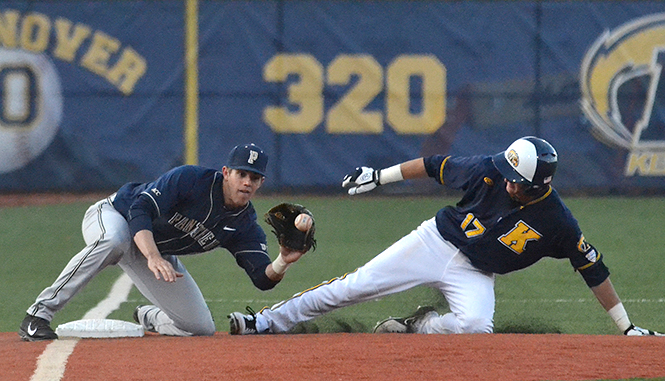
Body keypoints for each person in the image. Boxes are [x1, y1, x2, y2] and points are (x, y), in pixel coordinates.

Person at [228, 136, 662, 336]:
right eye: (507, 172)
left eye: (516, 179)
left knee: (475, 327)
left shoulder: (558, 221)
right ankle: (265, 321)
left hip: (477, 271)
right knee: (354, 287)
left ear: (539, 184)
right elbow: (435, 164)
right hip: (435, 240)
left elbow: (593, 268)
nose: (506, 179)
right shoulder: (492, 168)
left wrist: (626, 329)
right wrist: (380, 176)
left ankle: (421, 323)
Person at [19, 143, 308, 341]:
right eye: (241, 174)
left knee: (200, 328)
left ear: (261, 183)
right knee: (113, 240)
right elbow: (140, 209)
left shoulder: (245, 225)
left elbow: (262, 278)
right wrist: (154, 256)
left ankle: (151, 318)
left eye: (254, 177)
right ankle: (38, 315)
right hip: (114, 215)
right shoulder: (191, 179)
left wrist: (283, 260)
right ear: (226, 173)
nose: (246, 182)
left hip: (152, 250)